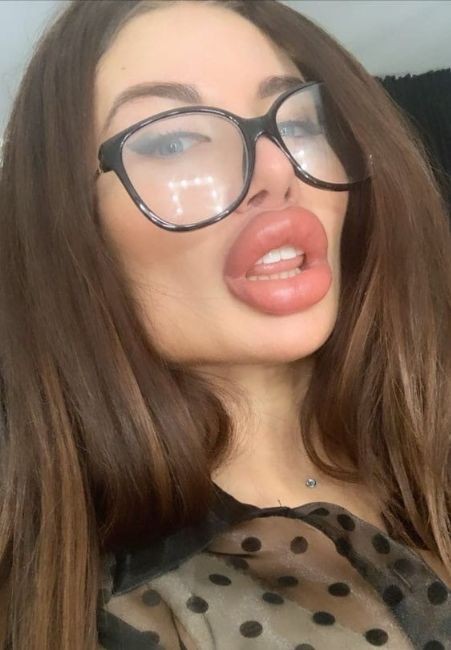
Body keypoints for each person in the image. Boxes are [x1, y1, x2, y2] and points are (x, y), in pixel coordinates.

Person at [0, 0, 449, 648]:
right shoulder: (125, 615)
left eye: (300, 122)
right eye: (173, 141)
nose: (277, 169)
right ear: (69, 232)